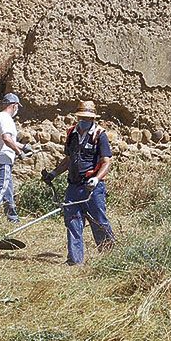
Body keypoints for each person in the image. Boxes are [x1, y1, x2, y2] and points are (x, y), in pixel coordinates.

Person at [42, 101, 115, 265]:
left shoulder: (99, 135)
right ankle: (75, 261)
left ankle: (110, 258)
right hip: (73, 187)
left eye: (87, 118)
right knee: (73, 222)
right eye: (82, 117)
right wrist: (54, 173)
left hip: (92, 189)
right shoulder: (72, 134)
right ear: (78, 117)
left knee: (99, 222)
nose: (84, 120)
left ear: (93, 118)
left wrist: (96, 178)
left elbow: (106, 162)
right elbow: (68, 160)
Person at [0, 93, 32, 222]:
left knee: (8, 188)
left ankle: (12, 217)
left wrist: (23, 147)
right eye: (17, 107)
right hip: (2, 159)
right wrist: (19, 152)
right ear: (14, 105)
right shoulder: (5, 118)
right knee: (1, 187)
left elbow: (8, 139)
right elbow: (6, 138)